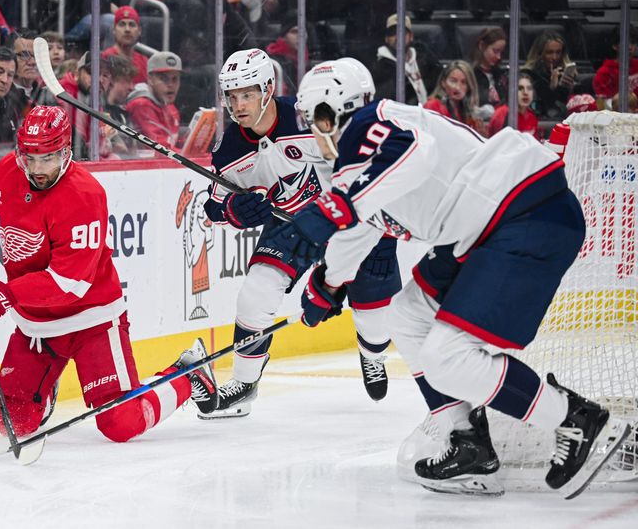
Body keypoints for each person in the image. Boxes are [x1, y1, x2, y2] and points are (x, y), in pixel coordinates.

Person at [265, 57, 632, 498]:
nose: (314, 129)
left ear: (342, 108)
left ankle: (571, 416)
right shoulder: (354, 161)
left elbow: (412, 153)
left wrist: (342, 204)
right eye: (309, 120)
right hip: (482, 227)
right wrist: (328, 282)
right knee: (407, 315)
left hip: (521, 213)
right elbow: (362, 224)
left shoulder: (370, 124)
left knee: (447, 356)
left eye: (318, 117)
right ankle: (469, 442)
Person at [0, 105, 219, 442]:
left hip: (92, 320)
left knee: (121, 423)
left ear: (66, 152)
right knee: (13, 423)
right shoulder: (9, 171)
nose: (38, 169)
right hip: (36, 325)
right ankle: (45, 383)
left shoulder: (84, 196)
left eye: (48, 158)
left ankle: (188, 374)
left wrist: (4, 294)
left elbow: (69, 284)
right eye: (30, 157)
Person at [200, 50, 401, 419]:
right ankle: (244, 385)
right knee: (255, 293)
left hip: (356, 217)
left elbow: (365, 168)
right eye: (232, 96)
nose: (238, 104)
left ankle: (372, 353)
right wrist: (236, 211)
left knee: (375, 322)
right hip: (294, 223)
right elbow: (214, 207)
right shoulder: (231, 146)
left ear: (268, 89)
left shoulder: (310, 115)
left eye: (246, 94)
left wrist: (339, 272)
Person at [371, 13, 441, 106]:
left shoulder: (425, 58)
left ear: (411, 36)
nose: (398, 37)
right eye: (393, 33)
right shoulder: (379, 67)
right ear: (386, 39)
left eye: (402, 32)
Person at [126, 51, 182, 151]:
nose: (170, 85)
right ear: (150, 79)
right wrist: (187, 156)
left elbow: (173, 141)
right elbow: (159, 148)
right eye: (164, 79)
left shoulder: (170, 107)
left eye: (175, 79)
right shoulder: (141, 105)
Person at [521, 31, 577, 119]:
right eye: (549, 52)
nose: (554, 57)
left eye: (558, 52)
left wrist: (571, 90)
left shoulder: (566, 73)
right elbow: (536, 108)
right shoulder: (528, 75)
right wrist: (552, 88)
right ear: (540, 53)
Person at [423, 60, 483, 131]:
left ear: (469, 87)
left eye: (463, 82)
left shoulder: (468, 112)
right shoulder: (432, 106)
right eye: (453, 81)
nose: (458, 87)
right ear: (443, 83)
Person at [101, 6, 147, 85]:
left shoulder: (145, 62)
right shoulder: (104, 58)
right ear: (114, 30)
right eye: (122, 24)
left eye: (132, 25)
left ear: (139, 31)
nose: (127, 29)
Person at [592, 25, 638, 103]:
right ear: (615, 46)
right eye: (625, 43)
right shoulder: (604, 73)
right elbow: (605, 106)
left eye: (633, 43)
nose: (630, 47)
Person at [488, 73, 540, 139]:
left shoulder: (532, 116)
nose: (525, 92)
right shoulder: (502, 114)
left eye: (529, 88)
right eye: (520, 88)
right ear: (511, 91)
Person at [470, 27, 508, 115]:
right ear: (482, 46)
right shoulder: (469, 74)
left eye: (501, 53)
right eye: (495, 51)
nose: (498, 57)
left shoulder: (501, 75)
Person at [5, 28, 40, 120]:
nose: (32, 62)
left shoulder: (45, 94)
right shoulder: (0, 97)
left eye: (37, 55)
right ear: (9, 56)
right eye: (25, 55)